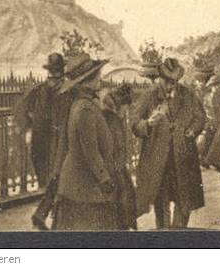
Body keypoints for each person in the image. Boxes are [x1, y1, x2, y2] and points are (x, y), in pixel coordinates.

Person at [131, 57, 207, 229]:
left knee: (184, 199)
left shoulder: (187, 94)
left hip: (183, 156)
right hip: (159, 159)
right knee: (161, 199)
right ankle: (164, 236)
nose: (171, 85)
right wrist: (148, 124)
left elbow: (200, 117)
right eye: (167, 81)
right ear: (160, 78)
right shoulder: (148, 96)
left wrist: (193, 130)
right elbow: (134, 123)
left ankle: (178, 233)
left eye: (174, 81)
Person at [53, 54, 120, 230]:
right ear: (88, 81)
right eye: (97, 75)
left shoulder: (83, 105)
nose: (100, 78)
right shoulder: (85, 109)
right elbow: (90, 151)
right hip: (83, 187)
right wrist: (105, 179)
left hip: (82, 184)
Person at [13, 52, 68, 230]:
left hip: (42, 142)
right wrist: (29, 128)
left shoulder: (39, 89)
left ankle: (44, 215)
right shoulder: (64, 90)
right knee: (57, 178)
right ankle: (48, 216)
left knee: (54, 180)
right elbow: (20, 111)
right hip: (52, 143)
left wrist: (28, 129)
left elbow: (19, 111)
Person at [101, 83, 137, 230]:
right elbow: (114, 146)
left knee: (125, 200)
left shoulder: (114, 117)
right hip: (113, 168)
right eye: (126, 108)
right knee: (121, 202)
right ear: (121, 105)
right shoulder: (111, 118)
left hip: (117, 166)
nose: (126, 112)